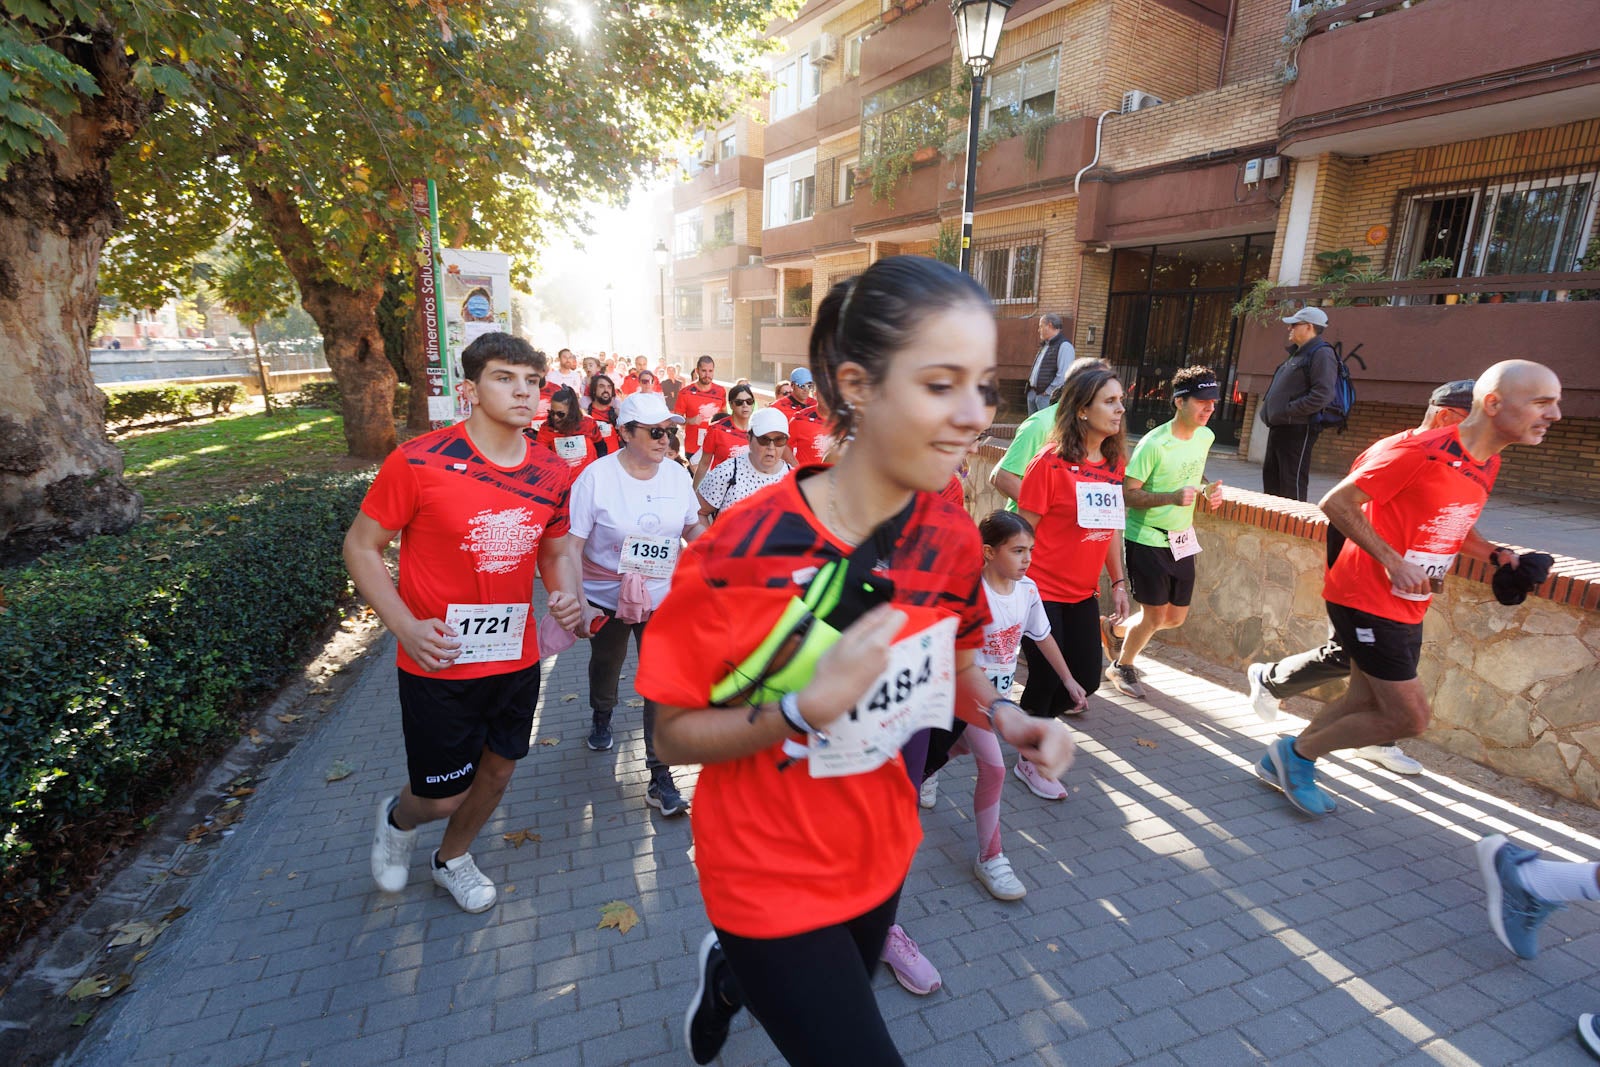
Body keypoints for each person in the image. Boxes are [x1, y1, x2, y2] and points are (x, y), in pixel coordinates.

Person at [640, 256, 1074, 1066]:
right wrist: (802, 708)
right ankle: (744, 959)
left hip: (881, 845)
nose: (975, 414)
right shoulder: (738, 549)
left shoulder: (946, 535)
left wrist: (1011, 717)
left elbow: (959, 657)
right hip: (764, 869)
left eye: (983, 385)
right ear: (858, 386)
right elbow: (669, 735)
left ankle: (732, 980)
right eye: (941, 383)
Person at [1258, 361, 1561, 817]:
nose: (1555, 414)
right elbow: (1336, 503)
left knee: (1364, 699)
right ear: (1493, 403)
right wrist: (1392, 562)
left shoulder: (1487, 461)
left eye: (1555, 402)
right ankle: (1295, 757)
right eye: (1542, 402)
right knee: (1408, 717)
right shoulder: (1418, 450)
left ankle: (1286, 758)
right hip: (1366, 597)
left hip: (1409, 603)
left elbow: (1454, 522)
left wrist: (1498, 556)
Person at [349, 332, 585, 913]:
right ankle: (398, 817)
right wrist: (403, 626)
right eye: (505, 378)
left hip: (515, 654)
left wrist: (566, 595)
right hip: (439, 659)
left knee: (499, 774)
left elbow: (554, 553)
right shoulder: (419, 460)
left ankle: (451, 859)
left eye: (533, 381)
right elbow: (360, 547)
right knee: (439, 796)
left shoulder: (552, 473)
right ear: (469, 389)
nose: (524, 392)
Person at [1246, 379, 1477, 775]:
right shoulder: (1401, 451)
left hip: (1405, 598)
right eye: (1475, 421)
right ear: (1446, 416)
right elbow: (1340, 510)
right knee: (1362, 671)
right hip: (1367, 590)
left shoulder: (1459, 462)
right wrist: (1372, 571)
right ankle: (1274, 688)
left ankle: (1357, 743)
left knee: (1375, 682)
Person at [920, 511, 1072, 898]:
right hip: (967, 694)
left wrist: (1069, 679)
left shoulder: (1029, 591)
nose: (1027, 559)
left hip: (997, 700)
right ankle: (991, 857)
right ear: (988, 552)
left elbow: (1043, 637)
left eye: (1031, 551)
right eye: (1018, 550)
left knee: (959, 747)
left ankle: (931, 765)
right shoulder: (969, 592)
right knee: (995, 769)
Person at [568, 391, 707, 816]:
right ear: (624, 433)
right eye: (655, 431)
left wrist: (719, 554)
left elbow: (692, 526)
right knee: (607, 665)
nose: (666, 439)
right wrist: (581, 603)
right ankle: (601, 714)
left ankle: (659, 774)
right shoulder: (595, 478)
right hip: (605, 597)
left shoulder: (677, 476)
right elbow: (570, 548)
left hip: (662, 595)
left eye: (670, 431)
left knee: (660, 681)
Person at [1012, 363, 1131, 794]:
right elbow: (1022, 534)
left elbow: (1111, 527)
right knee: (1045, 680)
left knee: (1088, 679)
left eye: (1120, 400)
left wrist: (1118, 582)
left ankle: (1028, 729)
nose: (1120, 409)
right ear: (1082, 409)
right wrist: (1013, 592)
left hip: (1083, 594)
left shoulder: (1114, 462)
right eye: (1110, 401)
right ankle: (1032, 759)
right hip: (1040, 592)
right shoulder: (1050, 463)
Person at [1104, 366, 1225, 700]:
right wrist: (1170, 498)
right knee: (1155, 615)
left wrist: (1206, 489)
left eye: (1213, 402)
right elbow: (1128, 494)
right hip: (1147, 538)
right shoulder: (1153, 444)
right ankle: (1121, 665)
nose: (1209, 408)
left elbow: (1193, 475)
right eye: (1202, 402)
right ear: (1179, 402)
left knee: (1174, 618)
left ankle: (1113, 629)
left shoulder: (1206, 436)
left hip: (1181, 539)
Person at [989, 358, 1109, 513]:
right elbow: (1002, 477)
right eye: (1104, 386)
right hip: (1031, 531)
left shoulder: (1102, 431)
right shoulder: (1040, 424)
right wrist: (1048, 514)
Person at [1260, 307, 1339, 501]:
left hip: (1297, 428)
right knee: (1272, 481)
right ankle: (1272, 527)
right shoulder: (1298, 353)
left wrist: (1289, 411)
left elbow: (1323, 394)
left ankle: (1291, 529)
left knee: (1290, 484)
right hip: (1280, 427)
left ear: (1309, 327)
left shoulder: (1321, 353)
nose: (1289, 329)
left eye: (1294, 325)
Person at [697, 407, 791, 521]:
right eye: (763, 440)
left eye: (779, 440)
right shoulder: (726, 472)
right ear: (749, 439)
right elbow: (697, 513)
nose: (771, 447)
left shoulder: (796, 480)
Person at [534, 385, 613, 474]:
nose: (555, 417)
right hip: (563, 481)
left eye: (560, 414)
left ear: (571, 412)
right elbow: (540, 457)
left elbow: (601, 447)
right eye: (552, 413)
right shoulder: (547, 429)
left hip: (587, 477)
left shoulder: (588, 423)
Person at [693, 382, 758, 484]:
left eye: (749, 401)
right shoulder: (716, 429)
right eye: (739, 402)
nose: (745, 405)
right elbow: (704, 464)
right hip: (720, 489)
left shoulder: (760, 429)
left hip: (749, 490)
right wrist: (694, 494)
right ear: (731, 404)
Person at [675, 355, 728, 463]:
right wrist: (690, 420)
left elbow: (724, 415)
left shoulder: (720, 391)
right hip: (693, 447)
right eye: (704, 371)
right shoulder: (685, 392)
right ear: (697, 371)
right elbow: (676, 419)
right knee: (694, 479)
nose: (707, 375)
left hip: (715, 446)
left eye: (710, 371)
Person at [1024, 312, 1073, 415]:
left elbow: (1064, 375)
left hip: (1046, 396)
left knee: (1046, 428)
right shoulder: (1046, 345)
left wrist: (1048, 392)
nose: (1039, 330)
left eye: (1041, 326)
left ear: (1049, 325)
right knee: (1032, 426)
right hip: (1033, 393)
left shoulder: (1064, 346)